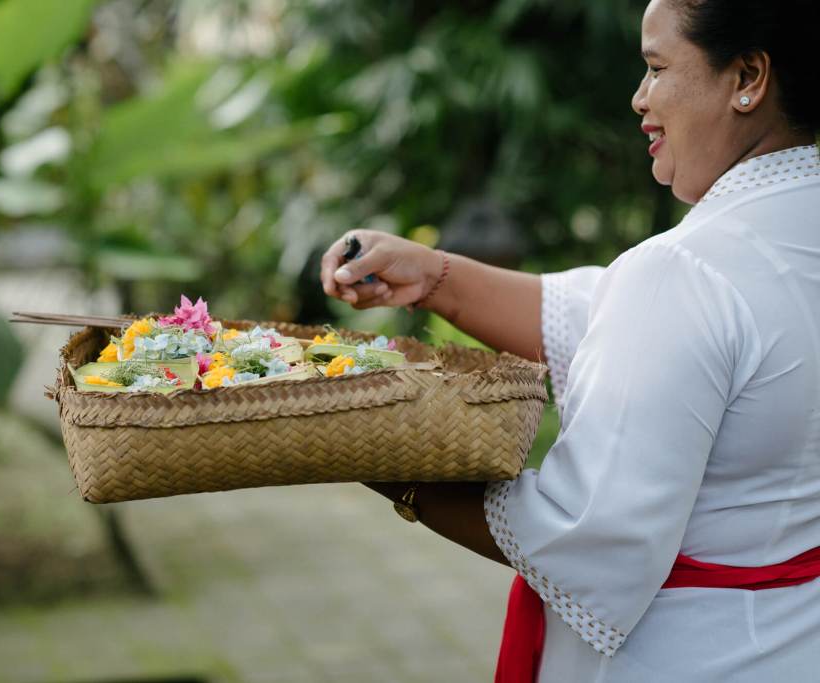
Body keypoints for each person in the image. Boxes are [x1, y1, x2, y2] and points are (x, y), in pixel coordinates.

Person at [319, 1, 820, 680]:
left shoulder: (686, 272)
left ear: (748, 78)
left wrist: (369, 452)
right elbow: (614, 320)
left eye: (656, 67)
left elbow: (587, 537)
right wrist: (434, 275)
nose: (640, 98)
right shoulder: (778, 240)